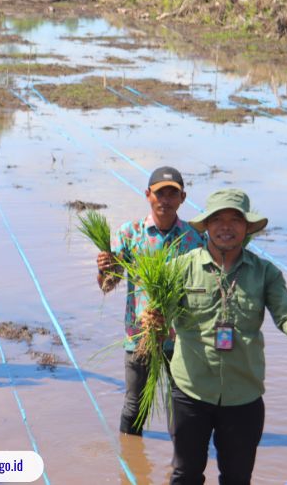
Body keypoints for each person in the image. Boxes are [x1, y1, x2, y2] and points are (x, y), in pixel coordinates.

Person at [166, 189, 287, 484]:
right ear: (206, 225)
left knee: (237, 478)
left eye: (235, 219)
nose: (226, 226)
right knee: (185, 475)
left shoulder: (265, 273)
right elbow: (158, 312)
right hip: (191, 391)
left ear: (247, 227)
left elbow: (285, 315)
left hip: (243, 394)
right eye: (217, 219)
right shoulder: (180, 269)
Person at [95, 166, 204, 435]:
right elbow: (108, 286)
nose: (165, 200)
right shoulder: (130, 234)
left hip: (180, 339)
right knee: (134, 406)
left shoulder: (194, 238)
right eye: (159, 194)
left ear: (183, 198)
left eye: (172, 194)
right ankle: (131, 463)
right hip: (139, 337)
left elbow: (203, 288)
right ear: (148, 195)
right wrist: (104, 269)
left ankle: (180, 465)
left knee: (180, 406)